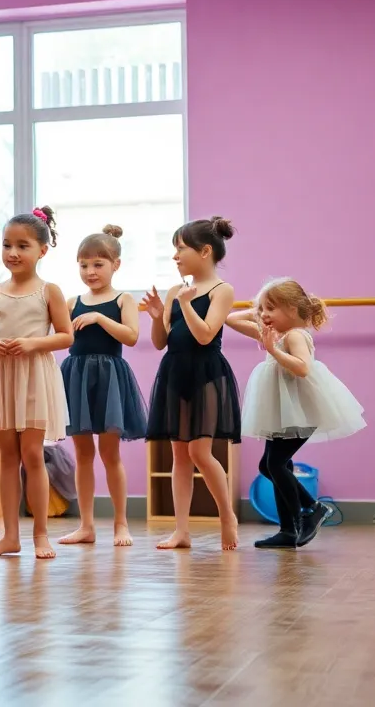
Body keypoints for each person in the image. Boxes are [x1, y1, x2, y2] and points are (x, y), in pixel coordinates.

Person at [0, 207, 71, 559]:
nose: (12, 253)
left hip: (35, 375)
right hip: (2, 375)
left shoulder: (49, 291)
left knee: (33, 454)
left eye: (22, 246)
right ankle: (10, 535)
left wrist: (32, 344)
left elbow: (66, 336)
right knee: (8, 457)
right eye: (7, 245)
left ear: (42, 250)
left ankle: (41, 534)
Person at [227, 278, 364, 548]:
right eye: (262, 308)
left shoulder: (295, 335)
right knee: (274, 465)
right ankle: (288, 530)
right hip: (282, 411)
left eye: (271, 308)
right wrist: (261, 313)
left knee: (274, 465)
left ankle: (313, 508)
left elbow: (302, 368)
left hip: (301, 410)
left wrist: (271, 350)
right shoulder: (276, 333)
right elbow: (230, 319)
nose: (264, 314)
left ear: (291, 309)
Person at [142, 217, 241, 551]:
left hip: (206, 373)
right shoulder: (174, 291)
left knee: (200, 451)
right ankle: (181, 530)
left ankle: (226, 514)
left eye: (180, 248)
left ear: (205, 251)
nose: (175, 256)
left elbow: (205, 334)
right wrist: (158, 316)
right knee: (179, 455)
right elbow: (160, 342)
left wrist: (185, 303)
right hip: (174, 372)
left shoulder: (221, 290)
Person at [58, 226, 147, 548]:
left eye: (98, 264)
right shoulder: (71, 301)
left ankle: (121, 524)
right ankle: (85, 525)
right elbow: (63, 337)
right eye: (83, 265)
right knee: (82, 454)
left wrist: (98, 318)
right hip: (76, 376)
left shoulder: (124, 299)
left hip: (110, 377)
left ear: (115, 265)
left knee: (110, 454)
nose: (90, 271)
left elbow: (132, 336)